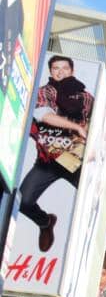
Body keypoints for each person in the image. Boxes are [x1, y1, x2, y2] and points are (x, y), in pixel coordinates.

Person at [19, 55, 95, 252]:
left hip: (75, 160)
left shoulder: (86, 98)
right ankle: (45, 223)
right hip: (48, 160)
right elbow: (43, 115)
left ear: (72, 71)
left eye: (64, 68)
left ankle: (86, 251)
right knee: (24, 201)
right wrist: (75, 127)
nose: (60, 72)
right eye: (55, 68)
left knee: (92, 201)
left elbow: (97, 125)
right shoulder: (45, 91)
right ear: (50, 71)